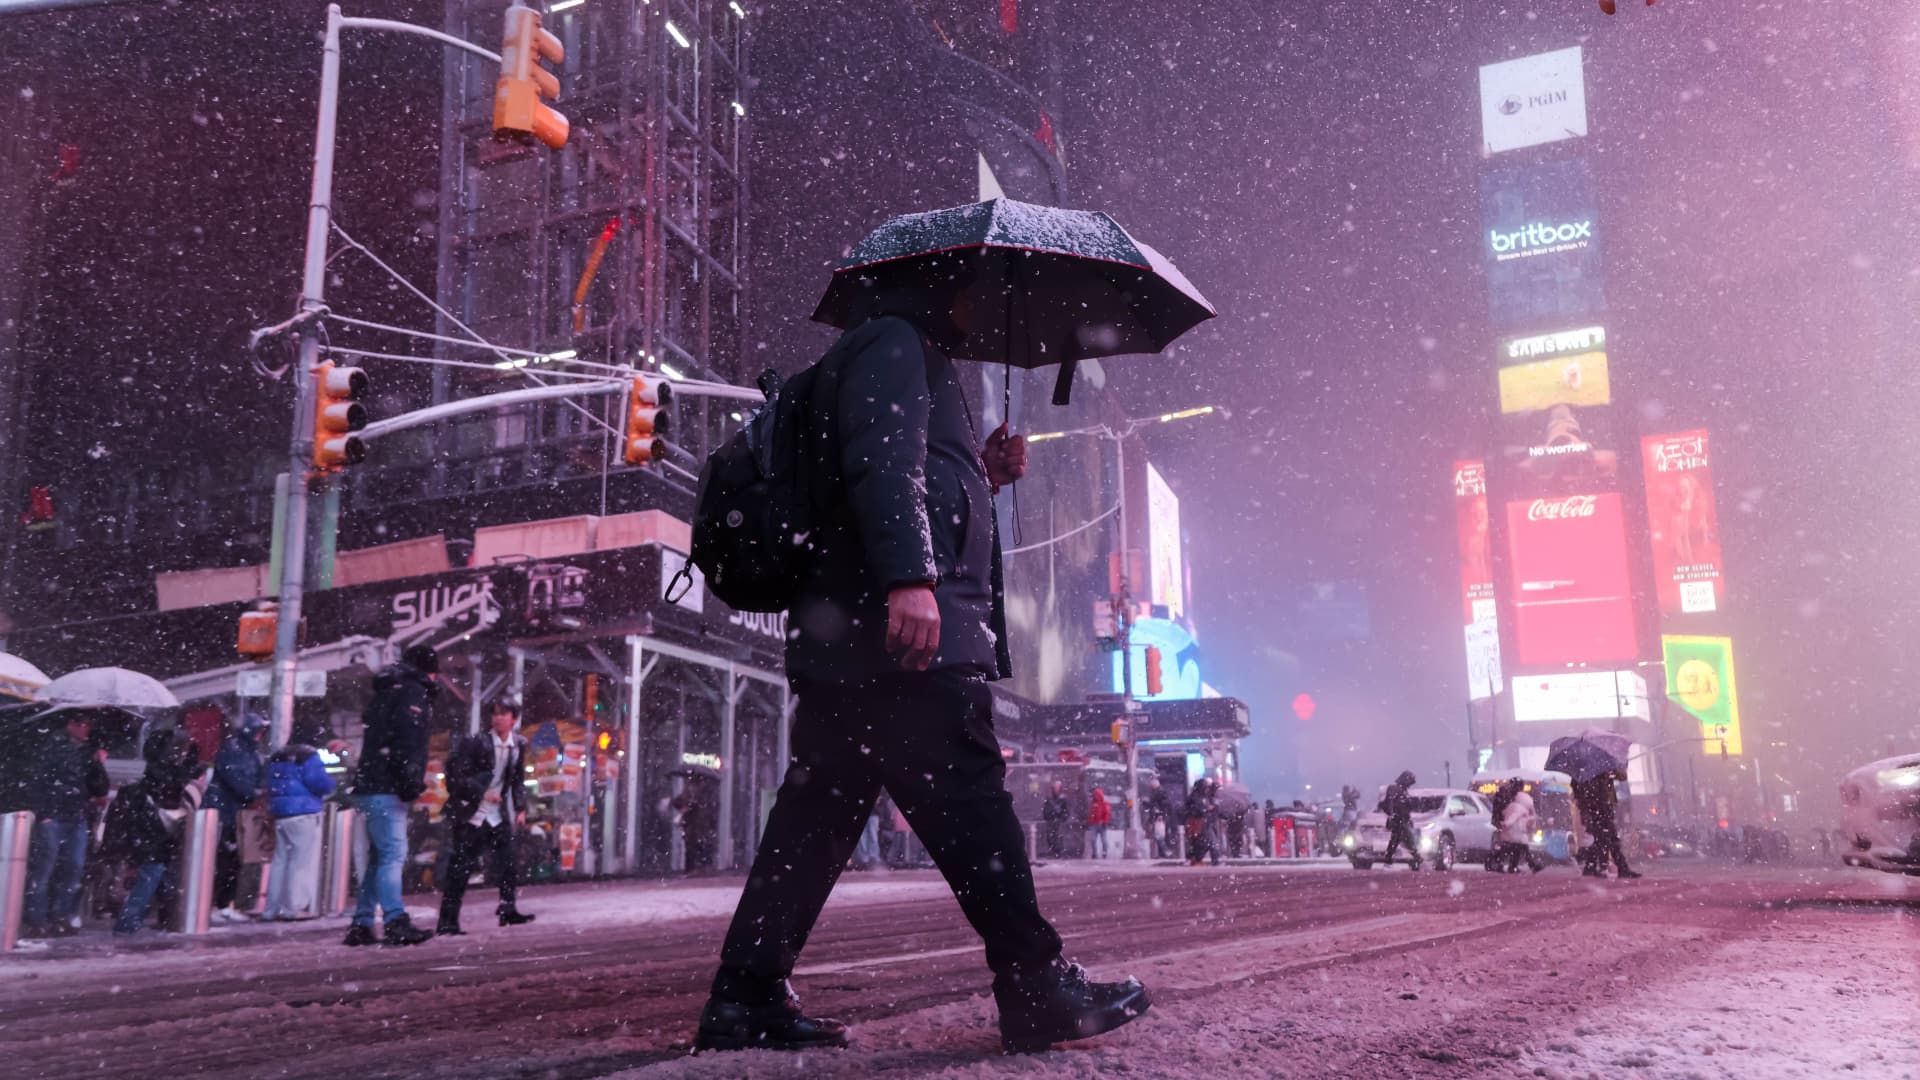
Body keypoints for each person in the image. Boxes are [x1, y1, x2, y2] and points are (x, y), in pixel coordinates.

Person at [693, 264, 1147, 1055]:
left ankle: (745, 992)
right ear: (942, 289)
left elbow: (907, 476)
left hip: (850, 638)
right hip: (897, 638)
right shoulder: (897, 345)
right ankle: (1035, 983)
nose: (983, 304)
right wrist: (911, 580)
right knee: (971, 803)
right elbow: (882, 465)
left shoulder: (893, 350)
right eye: (974, 289)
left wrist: (983, 469)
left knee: (816, 820)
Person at [344, 644, 438, 947]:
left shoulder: (385, 693)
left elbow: (385, 737)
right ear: (430, 671)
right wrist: (410, 780)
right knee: (392, 855)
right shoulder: (412, 693)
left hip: (369, 785)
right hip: (386, 788)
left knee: (377, 858)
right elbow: (407, 740)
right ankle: (396, 921)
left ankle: (362, 922)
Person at [437, 701, 535, 934]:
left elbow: (517, 780)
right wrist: (480, 792)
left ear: (514, 719)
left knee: (508, 862)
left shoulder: (518, 745)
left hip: (495, 816)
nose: (498, 718)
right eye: (495, 714)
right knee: (460, 868)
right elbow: (455, 777)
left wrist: (520, 808)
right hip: (471, 814)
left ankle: (507, 909)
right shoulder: (476, 743)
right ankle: (448, 922)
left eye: (503, 714)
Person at [103, 729, 201, 936]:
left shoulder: (156, 768)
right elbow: (172, 784)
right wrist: (191, 760)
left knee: (156, 874)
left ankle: (145, 919)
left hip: (151, 829)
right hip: (155, 829)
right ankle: (128, 922)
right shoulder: (163, 772)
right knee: (153, 874)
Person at [21, 712, 109, 937]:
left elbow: (99, 787)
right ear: (71, 725)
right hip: (58, 814)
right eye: (82, 724)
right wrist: (44, 812)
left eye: (88, 725)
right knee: (49, 868)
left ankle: (55, 917)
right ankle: (40, 919)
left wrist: (98, 764)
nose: (86, 730)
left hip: (73, 815)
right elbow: (39, 780)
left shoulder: (85, 752)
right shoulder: (53, 748)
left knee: (71, 867)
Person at [203, 710, 268, 924]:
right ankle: (215, 904)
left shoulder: (248, 751)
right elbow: (238, 780)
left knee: (232, 861)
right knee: (223, 861)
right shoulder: (237, 750)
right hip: (225, 813)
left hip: (234, 813)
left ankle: (223, 904)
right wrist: (255, 792)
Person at [262, 739, 337, 920]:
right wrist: (332, 783)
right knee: (300, 862)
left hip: (281, 813)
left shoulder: (277, 757)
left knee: (280, 861)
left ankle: (271, 908)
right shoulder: (309, 756)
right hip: (303, 813)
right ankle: (293, 908)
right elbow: (320, 783)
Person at [1572, 770, 1639, 880]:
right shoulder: (1589, 771)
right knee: (1607, 839)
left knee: (1600, 839)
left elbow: (1622, 776)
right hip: (1597, 809)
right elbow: (1579, 791)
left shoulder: (1600, 768)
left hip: (1601, 808)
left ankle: (1591, 866)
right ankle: (1620, 868)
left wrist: (1610, 774)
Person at [1380, 770, 1421, 871]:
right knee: (1404, 839)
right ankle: (1416, 858)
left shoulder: (1403, 791)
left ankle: (1414, 858)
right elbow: (1389, 802)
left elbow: (1405, 805)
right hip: (1398, 819)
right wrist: (1392, 814)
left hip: (1402, 819)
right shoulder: (1395, 789)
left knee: (1399, 839)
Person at [1184, 779, 1217, 866]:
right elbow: (1195, 809)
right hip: (1196, 822)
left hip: (1203, 822)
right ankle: (1194, 858)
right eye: (1206, 787)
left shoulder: (1204, 796)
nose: (1207, 790)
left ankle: (1195, 858)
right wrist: (1206, 809)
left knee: (1202, 842)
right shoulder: (1195, 796)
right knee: (1199, 841)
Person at [1041, 780, 1073, 860]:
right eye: (1055, 787)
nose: (1056, 789)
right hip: (1051, 820)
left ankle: (1059, 852)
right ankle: (1054, 852)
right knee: (1050, 837)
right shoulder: (1049, 798)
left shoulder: (1063, 799)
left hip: (1059, 820)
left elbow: (1067, 810)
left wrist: (1063, 817)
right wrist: (1047, 816)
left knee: (1058, 836)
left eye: (1058, 787)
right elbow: (1045, 809)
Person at [1142, 779, 1173, 859]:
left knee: (1159, 835)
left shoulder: (1159, 793)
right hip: (1158, 816)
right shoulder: (1159, 792)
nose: (1150, 787)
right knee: (1158, 835)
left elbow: (1160, 804)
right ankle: (1162, 853)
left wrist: (1160, 814)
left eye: (1151, 785)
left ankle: (1166, 851)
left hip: (1158, 817)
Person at [1086, 788, 1112, 859]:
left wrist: (1105, 821)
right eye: (1095, 795)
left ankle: (1104, 853)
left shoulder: (1104, 803)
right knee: (1093, 839)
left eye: (1097, 795)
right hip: (1094, 824)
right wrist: (1089, 821)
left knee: (1104, 840)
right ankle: (1094, 853)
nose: (1096, 796)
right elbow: (1090, 814)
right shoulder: (1092, 803)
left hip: (1102, 824)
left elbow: (1107, 813)